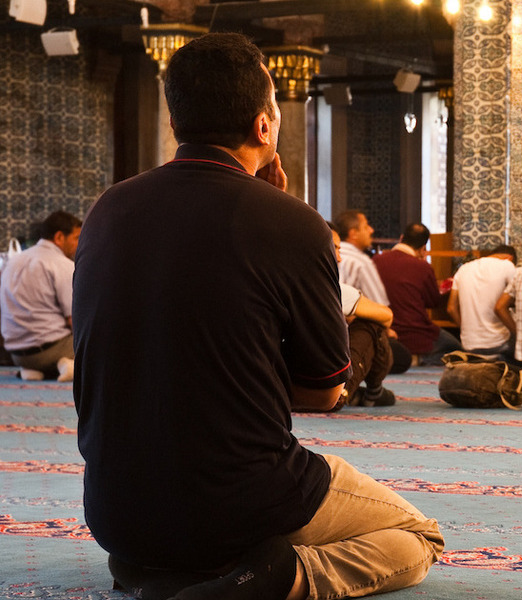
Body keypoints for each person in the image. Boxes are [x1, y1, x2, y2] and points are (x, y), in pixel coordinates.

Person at [73, 33, 442, 600]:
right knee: (418, 536)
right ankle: (270, 578)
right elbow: (323, 393)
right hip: (240, 500)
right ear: (264, 126)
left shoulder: (105, 211)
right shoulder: (293, 224)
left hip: (115, 513)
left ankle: (165, 569)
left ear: (176, 126)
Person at [0, 211, 81, 382]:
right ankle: (65, 364)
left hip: (16, 355)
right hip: (50, 350)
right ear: (59, 237)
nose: (78, 244)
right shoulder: (63, 265)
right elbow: (74, 320)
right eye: (76, 238)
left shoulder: (13, 261)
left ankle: (34, 370)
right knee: (101, 340)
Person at [373, 222, 461, 366]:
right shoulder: (422, 267)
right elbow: (433, 302)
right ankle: (421, 359)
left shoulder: (376, 261)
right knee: (458, 349)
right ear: (423, 248)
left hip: (384, 330)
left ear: (401, 238)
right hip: (418, 333)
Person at [331, 225, 400, 406]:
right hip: (325, 392)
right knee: (372, 324)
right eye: (335, 249)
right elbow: (385, 314)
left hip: (284, 391)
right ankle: (362, 392)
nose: (339, 258)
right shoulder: (329, 289)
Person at [448, 244, 517, 356]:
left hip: (469, 345)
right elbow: (514, 300)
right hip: (499, 344)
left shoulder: (463, 269)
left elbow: (451, 308)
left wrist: (468, 332)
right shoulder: (507, 266)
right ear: (510, 258)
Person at [333, 209, 389, 305]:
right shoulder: (360, 262)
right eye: (366, 226)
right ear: (353, 233)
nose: (371, 230)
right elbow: (379, 304)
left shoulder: (328, 255)